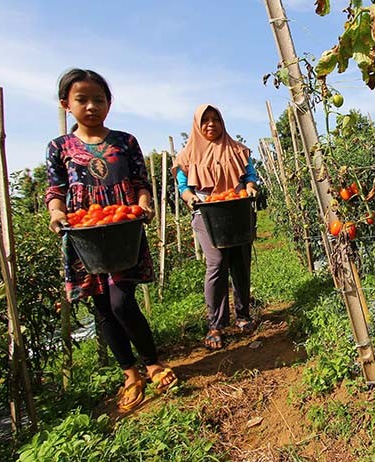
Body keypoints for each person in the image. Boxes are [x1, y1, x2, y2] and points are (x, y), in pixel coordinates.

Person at [45, 68, 178, 412]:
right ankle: (130, 373)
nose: (92, 106)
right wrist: (56, 213)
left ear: (109, 103)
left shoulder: (125, 142)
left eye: (99, 99)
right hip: (84, 234)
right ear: (66, 104)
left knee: (121, 300)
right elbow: (55, 190)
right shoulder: (59, 147)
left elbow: (140, 183)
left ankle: (152, 363)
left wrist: (144, 204)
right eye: (82, 99)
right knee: (102, 306)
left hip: (122, 231)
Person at [172, 104, 259, 350]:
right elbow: (183, 186)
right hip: (207, 213)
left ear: (222, 122)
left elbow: (249, 175)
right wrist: (190, 198)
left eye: (216, 119)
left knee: (241, 262)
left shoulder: (237, 150)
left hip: (237, 209)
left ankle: (243, 315)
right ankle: (215, 324)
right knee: (217, 262)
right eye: (205, 120)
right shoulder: (187, 156)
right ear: (197, 125)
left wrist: (250, 187)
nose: (211, 124)